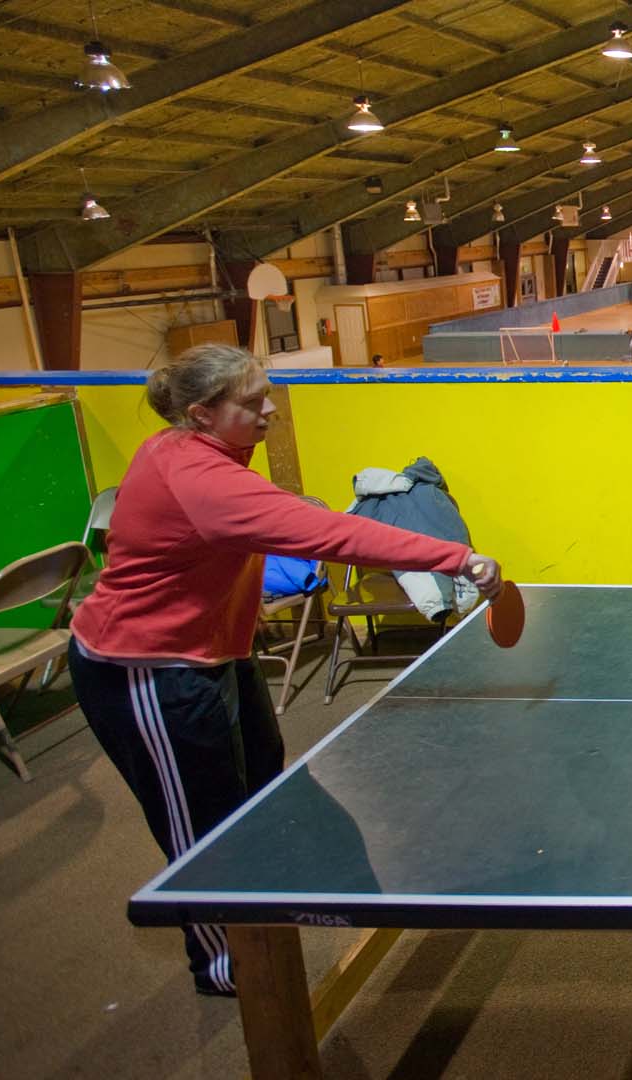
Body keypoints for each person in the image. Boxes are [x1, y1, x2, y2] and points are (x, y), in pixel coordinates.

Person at [66, 344, 502, 997]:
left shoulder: (200, 452)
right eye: (253, 401)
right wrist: (456, 559)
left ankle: (260, 910)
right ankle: (228, 966)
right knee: (203, 826)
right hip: (146, 668)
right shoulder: (200, 476)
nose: (270, 408)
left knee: (259, 789)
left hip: (214, 652)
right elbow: (327, 533)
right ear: (201, 413)